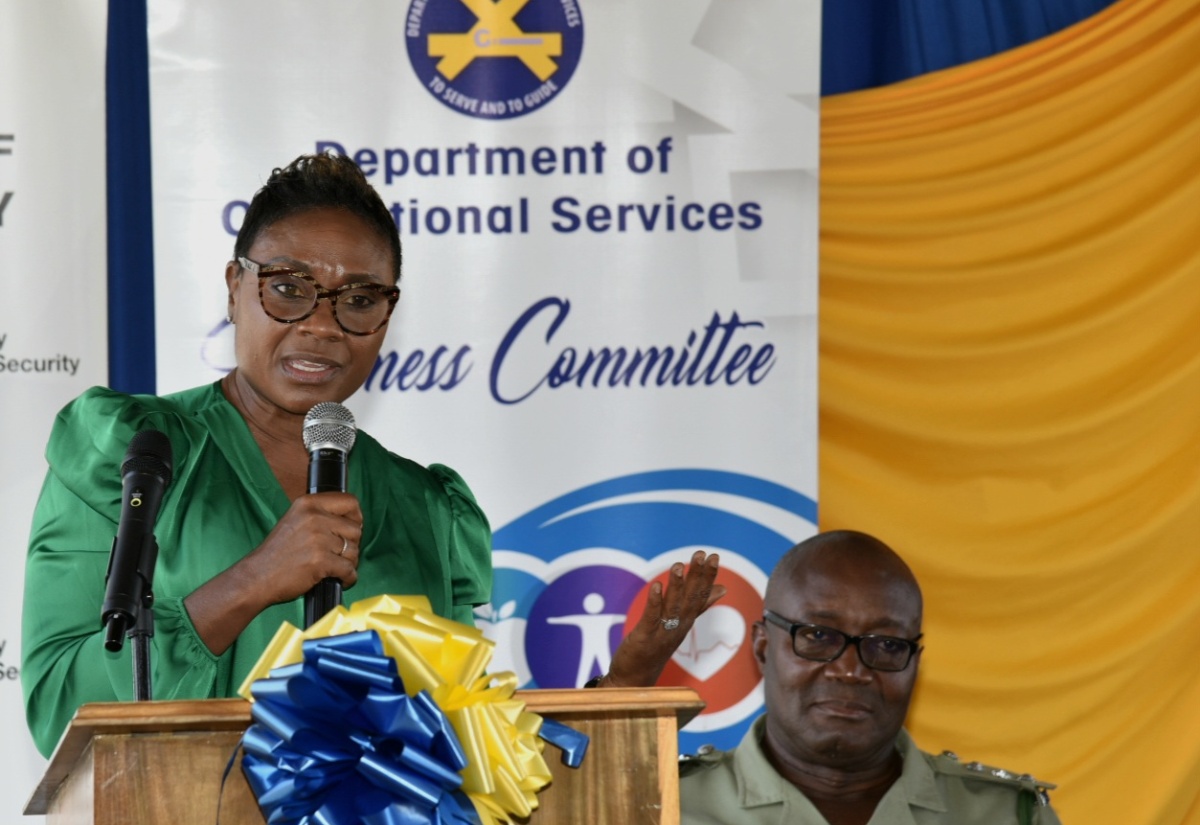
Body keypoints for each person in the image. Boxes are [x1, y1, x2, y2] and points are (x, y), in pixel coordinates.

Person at [20, 152, 716, 758]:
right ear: (235, 288)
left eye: (358, 298)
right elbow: (58, 703)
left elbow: (467, 753)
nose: (322, 325)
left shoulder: (426, 509)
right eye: (287, 287)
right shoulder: (132, 452)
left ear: (387, 315)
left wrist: (619, 686)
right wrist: (254, 578)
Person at [678, 530, 1061, 825]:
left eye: (887, 644)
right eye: (818, 636)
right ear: (763, 647)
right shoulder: (667, 807)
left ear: (915, 663)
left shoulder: (1007, 815)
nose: (850, 669)